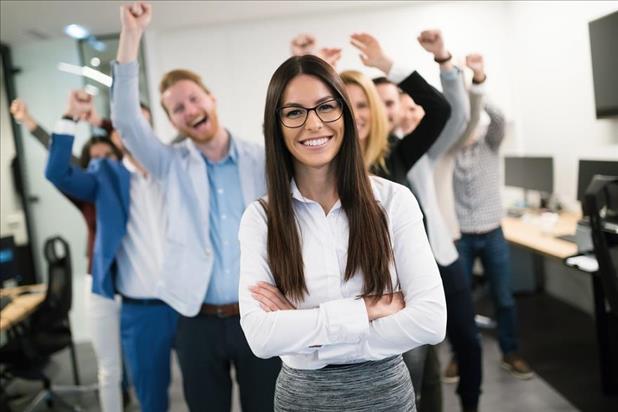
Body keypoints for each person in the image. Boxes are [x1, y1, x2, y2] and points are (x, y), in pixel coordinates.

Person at [238, 53, 446, 412]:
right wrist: (366, 309)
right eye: (294, 112)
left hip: (385, 396)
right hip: (301, 400)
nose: (313, 123)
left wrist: (310, 338)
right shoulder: (261, 218)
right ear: (277, 125)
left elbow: (430, 321)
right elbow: (261, 336)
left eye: (325, 107)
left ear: (344, 115)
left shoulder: (394, 201)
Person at [111, 2, 280, 411]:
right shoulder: (169, 165)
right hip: (195, 320)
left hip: (258, 314)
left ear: (211, 98)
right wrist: (132, 35)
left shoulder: (262, 159)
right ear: (172, 120)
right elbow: (127, 121)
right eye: (177, 108)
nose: (190, 110)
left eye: (193, 99)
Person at [45, 90, 179, 412]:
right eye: (129, 128)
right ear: (117, 135)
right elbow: (56, 173)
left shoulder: (176, 166)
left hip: (191, 304)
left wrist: (107, 121)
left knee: (207, 393)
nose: (137, 134)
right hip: (143, 309)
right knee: (151, 398)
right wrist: (70, 118)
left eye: (144, 126)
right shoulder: (105, 174)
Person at [337, 32, 450, 409]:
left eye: (361, 104)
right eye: (343, 105)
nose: (356, 114)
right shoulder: (319, 175)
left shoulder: (397, 157)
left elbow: (439, 109)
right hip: (346, 316)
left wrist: (387, 65)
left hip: (405, 310)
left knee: (422, 395)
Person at [10, 97, 130, 412]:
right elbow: (58, 161)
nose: (102, 162)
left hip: (134, 278)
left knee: (132, 359)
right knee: (109, 362)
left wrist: (100, 122)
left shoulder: (130, 182)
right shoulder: (86, 186)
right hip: (102, 276)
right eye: (94, 159)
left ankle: (129, 395)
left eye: (107, 156)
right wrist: (30, 122)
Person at [448, 54, 533, 381]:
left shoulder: (491, 143)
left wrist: (478, 81)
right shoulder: (447, 150)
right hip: (461, 236)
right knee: (460, 301)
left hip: (493, 232)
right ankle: (459, 357)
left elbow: (497, 116)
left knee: (504, 298)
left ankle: (510, 353)